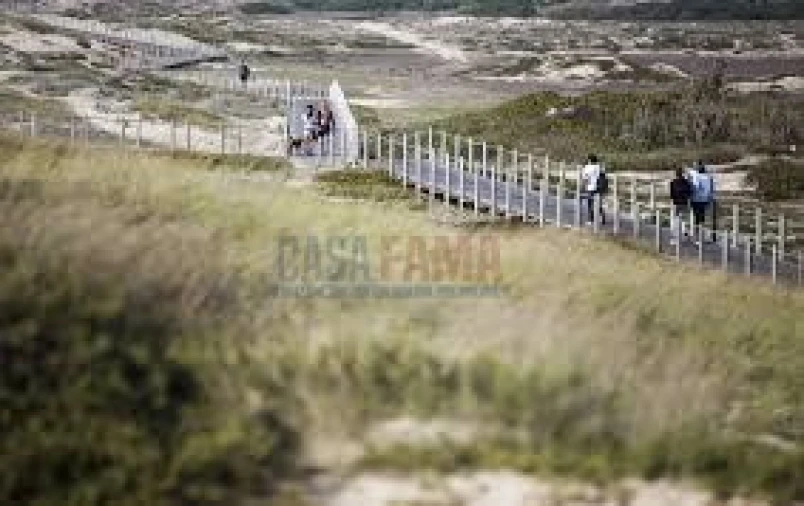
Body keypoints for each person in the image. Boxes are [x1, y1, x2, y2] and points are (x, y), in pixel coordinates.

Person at [688, 160, 715, 241]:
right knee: (700, 217)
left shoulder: (698, 175)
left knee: (697, 217)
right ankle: (699, 235)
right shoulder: (707, 176)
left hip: (697, 199)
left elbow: (695, 186)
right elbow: (711, 188)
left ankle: (698, 235)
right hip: (703, 199)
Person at [581, 154, 607, 225]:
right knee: (598, 203)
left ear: (589, 160)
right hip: (598, 187)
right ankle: (601, 217)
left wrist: (583, 186)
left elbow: (585, 177)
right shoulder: (599, 167)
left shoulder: (587, 167)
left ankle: (591, 219)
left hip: (590, 187)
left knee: (590, 203)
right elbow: (602, 175)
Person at [669, 167, 692, 243]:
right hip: (684, 203)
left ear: (676, 174)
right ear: (682, 174)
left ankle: (674, 238)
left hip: (676, 203)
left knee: (675, 220)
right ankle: (685, 235)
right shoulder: (686, 182)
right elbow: (689, 193)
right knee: (684, 221)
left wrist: (672, 202)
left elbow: (671, 195)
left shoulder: (673, 182)